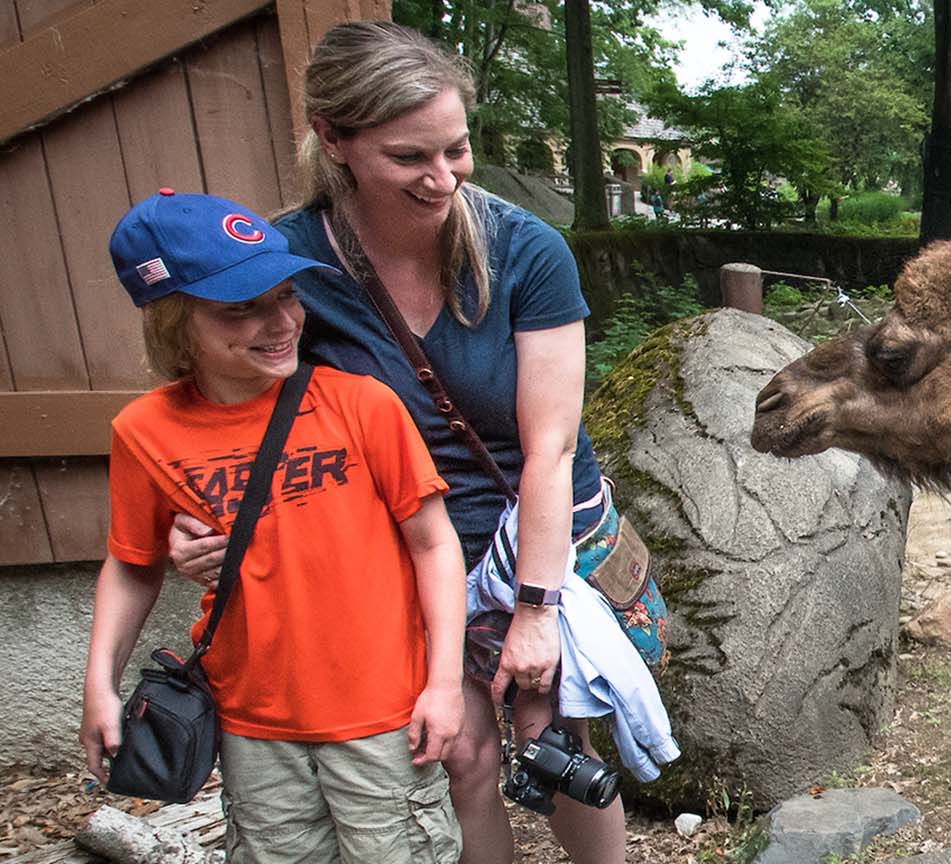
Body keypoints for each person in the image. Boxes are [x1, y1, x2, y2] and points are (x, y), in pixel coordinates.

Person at [167, 21, 630, 864]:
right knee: (460, 754)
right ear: (334, 140)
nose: (443, 177)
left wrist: (536, 611)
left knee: (555, 739)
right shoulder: (288, 261)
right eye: (410, 156)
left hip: (528, 525)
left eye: (456, 149)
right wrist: (195, 516)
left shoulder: (526, 251)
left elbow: (550, 449)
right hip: (400, 544)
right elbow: (235, 407)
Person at [81, 191, 467, 863]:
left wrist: (443, 682)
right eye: (241, 309)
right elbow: (133, 563)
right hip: (253, 725)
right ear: (173, 323)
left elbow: (434, 545)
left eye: (286, 295)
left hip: (384, 717)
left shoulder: (360, 406)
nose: (281, 321)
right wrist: (98, 687)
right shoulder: (144, 432)